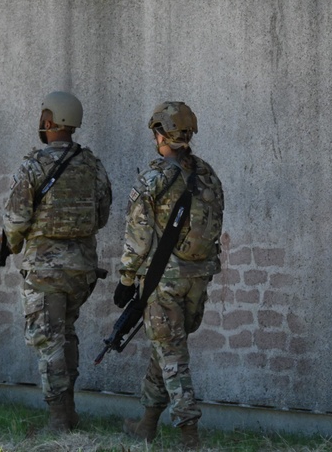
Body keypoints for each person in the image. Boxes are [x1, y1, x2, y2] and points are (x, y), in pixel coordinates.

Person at [114, 101, 225, 449]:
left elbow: (138, 238)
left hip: (163, 282)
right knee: (166, 349)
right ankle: (147, 424)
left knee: (173, 358)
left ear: (161, 134)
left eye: (155, 131)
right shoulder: (207, 174)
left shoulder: (153, 179)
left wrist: (126, 279)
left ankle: (189, 436)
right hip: (198, 279)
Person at [2, 91, 112, 431]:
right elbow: (103, 213)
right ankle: (70, 409)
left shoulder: (34, 165)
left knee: (47, 342)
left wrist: (15, 243)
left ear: (48, 121)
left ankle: (59, 418)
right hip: (81, 269)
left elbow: (16, 220)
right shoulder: (92, 164)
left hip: (45, 271)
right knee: (65, 334)